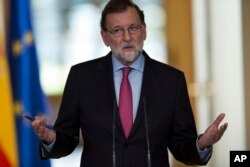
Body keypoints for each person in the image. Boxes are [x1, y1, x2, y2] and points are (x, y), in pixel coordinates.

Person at [31, 0, 228, 167]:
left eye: (133, 28)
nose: (127, 37)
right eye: (117, 30)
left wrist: (201, 143)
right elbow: (67, 140)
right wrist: (51, 139)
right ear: (105, 37)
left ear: (144, 31)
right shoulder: (81, 77)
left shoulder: (171, 80)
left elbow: (181, 146)